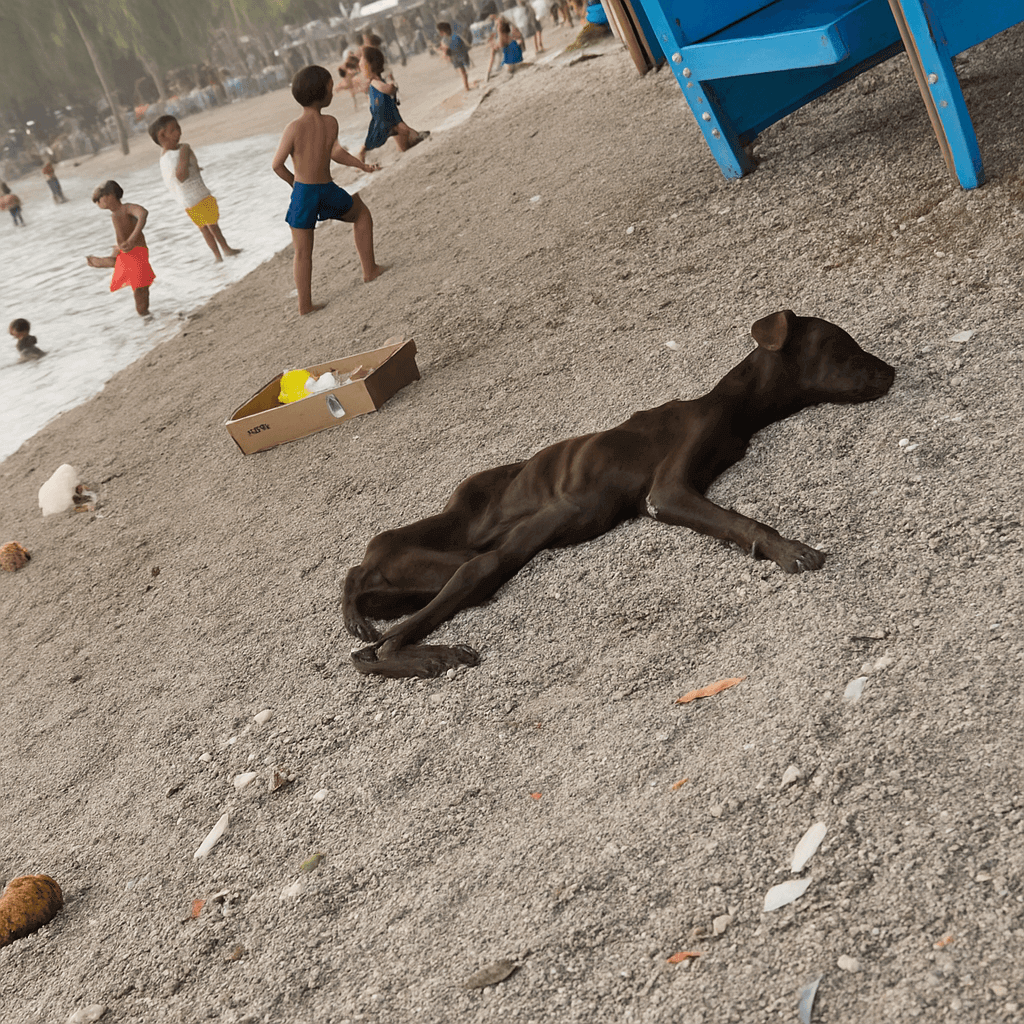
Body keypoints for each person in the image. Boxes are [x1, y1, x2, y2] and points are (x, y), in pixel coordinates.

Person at [271, 64, 386, 315]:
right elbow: (336, 153)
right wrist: (361, 166)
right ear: (322, 93)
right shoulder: (331, 122)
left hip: (304, 194)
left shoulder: (293, 128)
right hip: (327, 190)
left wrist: (295, 184)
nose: (333, 92)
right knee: (361, 214)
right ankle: (369, 270)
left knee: (302, 252)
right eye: (331, 88)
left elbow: (277, 165)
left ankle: (305, 305)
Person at [148, 115, 241, 263]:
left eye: (178, 128)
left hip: (186, 201)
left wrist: (195, 168)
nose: (178, 132)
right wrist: (185, 153)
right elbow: (180, 175)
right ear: (162, 135)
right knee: (213, 226)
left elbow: (172, 176)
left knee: (204, 229)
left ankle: (217, 257)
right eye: (173, 130)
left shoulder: (164, 157)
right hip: (198, 195)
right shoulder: (181, 150)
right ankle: (226, 249)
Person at [85, 180, 155, 318]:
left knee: (142, 290)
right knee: (141, 292)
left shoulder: (126, 208)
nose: (97, 203)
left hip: (137, 252)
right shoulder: (115, 214)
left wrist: (133, 238)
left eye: (98, 199)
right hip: (131, 253)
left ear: (110, 195)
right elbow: (121, 236)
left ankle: (113, 262)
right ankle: (147, 318)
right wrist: (119, 247)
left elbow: (143, 213)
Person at [357, 46, 429, 164]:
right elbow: (387, 90)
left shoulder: (375, 82)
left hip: (388, 116)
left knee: (403, 143)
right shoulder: (374, 83)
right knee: (398, 134)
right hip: (386, 118)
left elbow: (387, 89)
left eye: (362, 60)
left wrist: (392, 87)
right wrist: (392, 87)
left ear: (370, 65)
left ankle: (415, 137)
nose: (360, 64)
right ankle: (361, 155)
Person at [485, 16, 525, 80]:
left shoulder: (502, 36)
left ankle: (488, 73)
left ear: (500, 27)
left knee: (492, 52)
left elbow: (500, 45)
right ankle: (489, 72)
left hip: (510, 66)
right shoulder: (510, 35)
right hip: (518, 61)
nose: (496, 26)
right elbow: (519, 41)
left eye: (497, 25)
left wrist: (493, 45)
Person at [436, 22, 471, 91]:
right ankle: (466, 86)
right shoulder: (452, 37)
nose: (440, 33)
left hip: (457, 56)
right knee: (462, 72)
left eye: (440, 31)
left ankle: (466, 87)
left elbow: (451, 48)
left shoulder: (450, 38)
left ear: (442, 31)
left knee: (462, 72)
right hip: (457, 56)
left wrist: (444, 50)